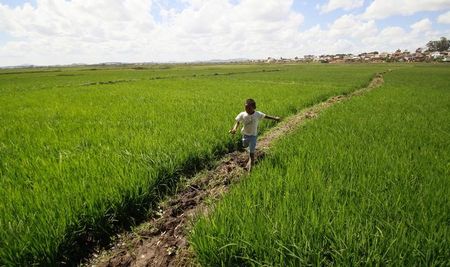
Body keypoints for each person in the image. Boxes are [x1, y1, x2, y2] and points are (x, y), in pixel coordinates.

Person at [229, 98, 280, 171]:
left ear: (254, 107)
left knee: (251, 155)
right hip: (245, 135)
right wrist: (234, 129)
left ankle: (250, 171)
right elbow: (238, 122)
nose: (247, 109)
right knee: (245, 146)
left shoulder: (257, 114)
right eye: (245, 107)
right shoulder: (242, 114)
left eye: (249, 108)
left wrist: (275, 118)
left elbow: (266, 116)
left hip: (253, 136)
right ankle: (250, 153)